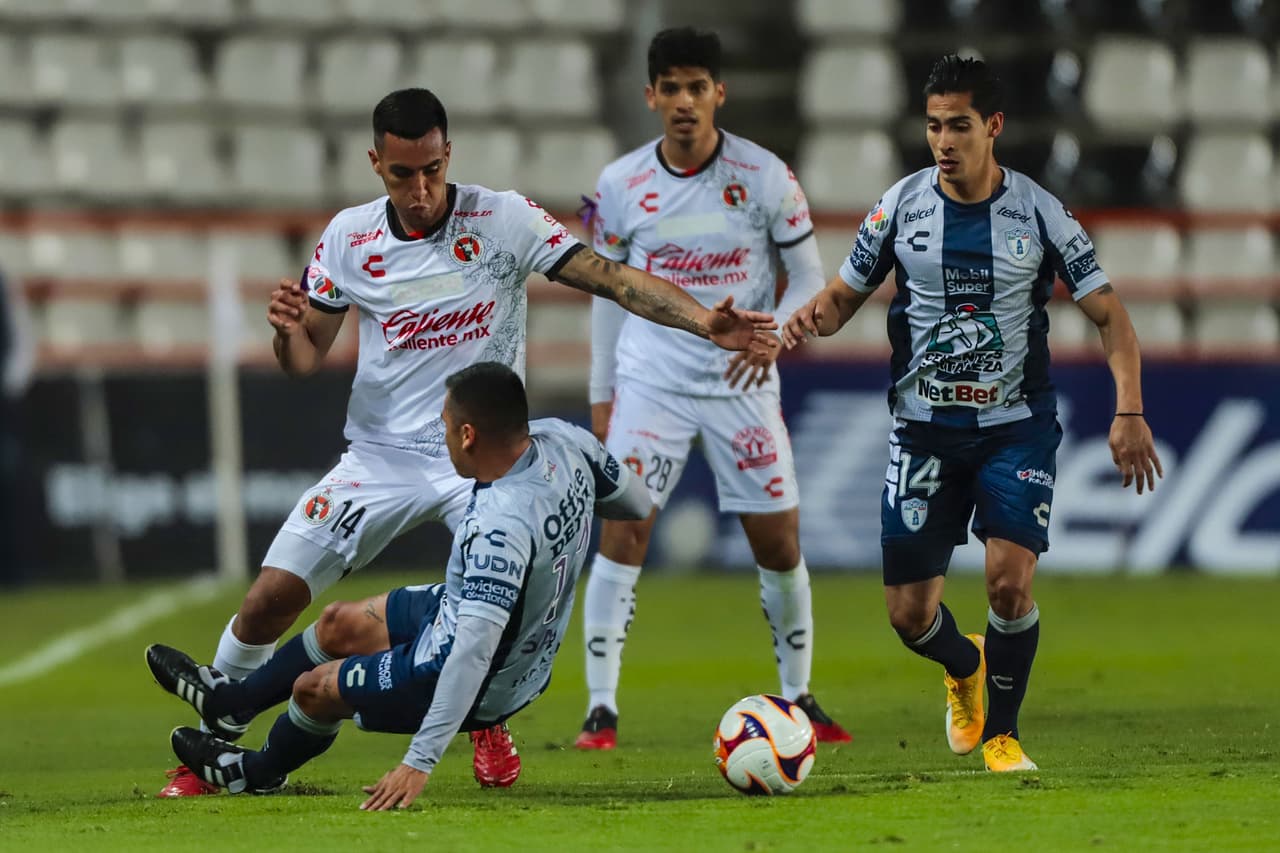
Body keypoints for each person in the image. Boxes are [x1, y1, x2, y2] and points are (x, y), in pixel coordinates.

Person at [157, 87, 778, 797]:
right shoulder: (347, 239)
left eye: (432, 170)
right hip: (381, 457)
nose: (421, 190)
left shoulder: (503, 217)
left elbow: (607, 276)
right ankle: (215, 740)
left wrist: (704, 321)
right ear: (375, 164)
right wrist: (285, 331)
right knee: (270, 598)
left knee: (487, 603)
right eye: (402, 175)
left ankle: (485, 720)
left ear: (448, 154)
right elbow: (304, 360)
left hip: (477, 458)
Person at [782, 55, 1163, 771]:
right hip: (924, 431)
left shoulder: (1040, 214)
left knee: (1008, 581)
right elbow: (840, 300)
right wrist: (808, 319)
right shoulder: (899, 207)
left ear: (993, 126)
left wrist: (1130, 411)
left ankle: (1003, 734)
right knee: (908, 615)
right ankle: (964, 667)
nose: (944, 142)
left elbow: (1110, 316)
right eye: (933, 126)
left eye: (959, 125)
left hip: (1015, 426)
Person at [147, 363, 653, 808]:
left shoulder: (499, 528)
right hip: (505, 636)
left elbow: (472, 653)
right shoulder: (566, 441)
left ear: (470, 434)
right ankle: (235, 702)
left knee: (313, 690)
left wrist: (419, 760)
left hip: (478, 677)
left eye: (447, 425)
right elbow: (634, 504)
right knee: (338, 622)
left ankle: (255, 773)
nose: (443, 433)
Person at [574, 27, 850, 751]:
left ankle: (799, 695)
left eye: (698, 87)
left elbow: (811, 281)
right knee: (624, 531)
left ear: (719, 94)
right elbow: (606, 293)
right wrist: (603, 392)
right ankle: (600, 708)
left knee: (778, 539)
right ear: (651, 96)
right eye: (672, 88)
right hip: (652, 380)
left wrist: (776, 337)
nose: (685, 102)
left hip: (741, 380)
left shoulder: (766, 176)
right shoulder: (616, 186)